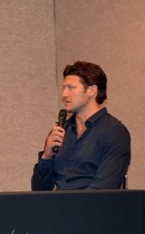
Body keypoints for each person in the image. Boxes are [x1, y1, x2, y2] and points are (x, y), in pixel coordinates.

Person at [32, 61, 130, 190]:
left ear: (91, 90)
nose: (64, 94)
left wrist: (69, 207)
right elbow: (40, 190)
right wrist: (47, 156)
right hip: (59, 206)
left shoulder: (114, 132)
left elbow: (105, 187)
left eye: (71, 88)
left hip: (92, 208)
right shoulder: (61, 131)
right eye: (64, 88)